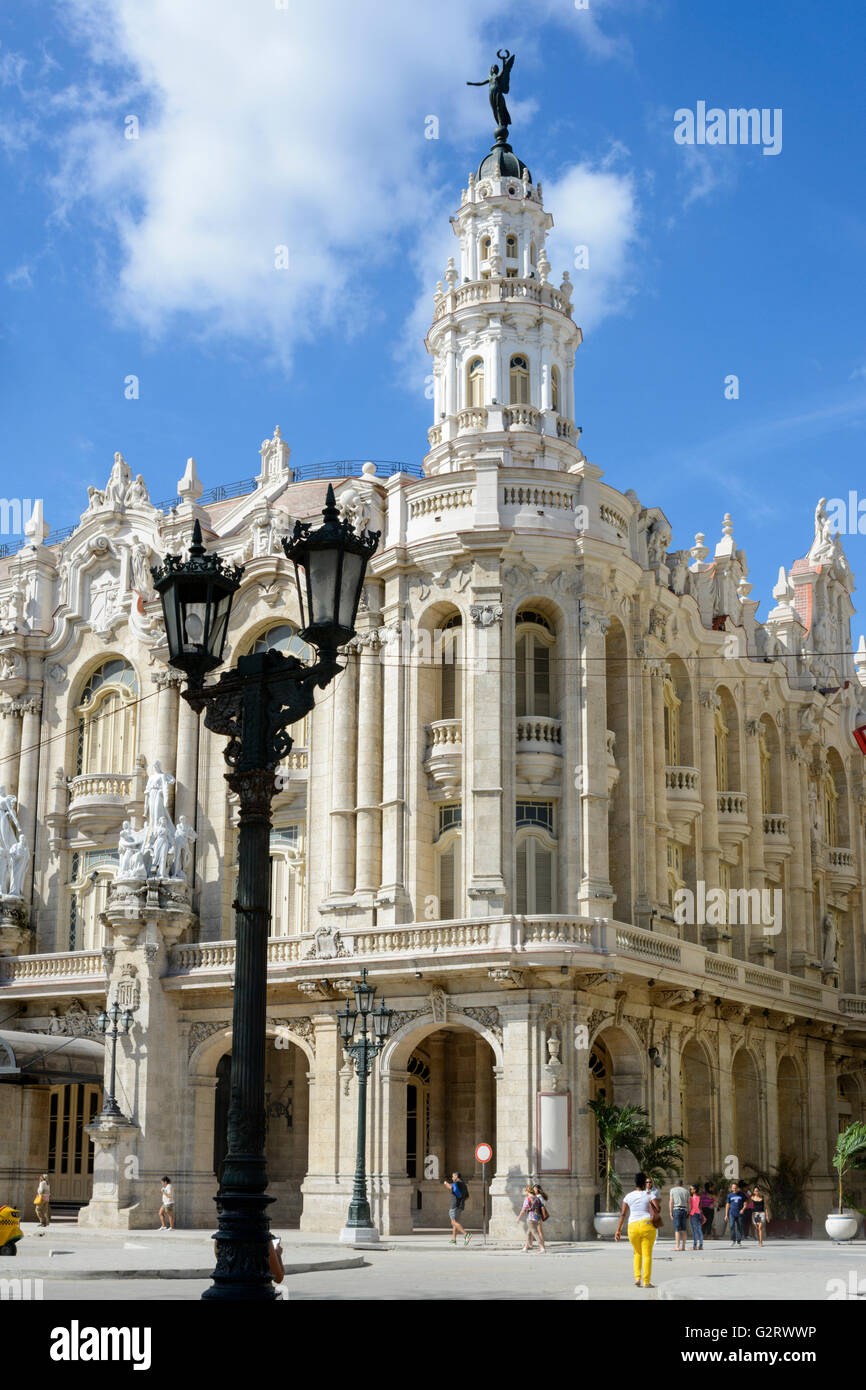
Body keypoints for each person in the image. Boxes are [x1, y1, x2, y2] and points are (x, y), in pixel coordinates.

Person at [614, 1170, 660, 1289]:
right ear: (645, 1183)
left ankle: (637, 1278)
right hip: (647, 1226)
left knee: (637, 1252)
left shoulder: (628, 1196)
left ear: (635, 1183)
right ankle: (646, 1282)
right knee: (647, 1254)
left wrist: (618, 1230)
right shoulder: (649, 1194)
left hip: (632, 1226)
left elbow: (623, 1214)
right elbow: (658, 1209)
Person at [443, 1172, 470, 1245]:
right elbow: (467, 1197)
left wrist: (445, 1183)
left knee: (453, 1222)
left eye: (453, 1176)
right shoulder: (464, 1184)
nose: (452, 1178)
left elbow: (451, 1187)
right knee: (455, 1222)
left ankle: (466, 1235)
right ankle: (453, 1239)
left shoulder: (457, 1183)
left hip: (455, 1205)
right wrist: (461, 1200)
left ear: (456, 1176)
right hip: (461, 1206)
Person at [669, 1177, 690, 1251]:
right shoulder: (686, 1191)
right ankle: (683, 1246)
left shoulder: (672, 1190)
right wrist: (689, 1211)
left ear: (675, 1184)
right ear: (682, 1184)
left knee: (677, 1229)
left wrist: (670, 1212)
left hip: (676, 1209)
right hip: (684, 1210)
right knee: (684, 1229)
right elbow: (688, 1202)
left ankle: (677, 1246)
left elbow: (671, 1201)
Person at [725, 1179, 746, 1246]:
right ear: (731, 1188)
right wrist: (726, 1215)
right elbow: (727, 1205)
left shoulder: (742, 1194)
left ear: (738, 1188)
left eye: (735, 1188)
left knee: (739, 1227)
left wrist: (743, 1209)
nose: (734, 1189)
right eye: (733, 1188)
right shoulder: (729, 1195)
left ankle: (739, 1241)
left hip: (739, 1213)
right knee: (731, 1226)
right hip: (732, 1213)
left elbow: (745, 1203)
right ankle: (733, 1240)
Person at [688, 1184, 705, 1250]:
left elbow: (694, 1207)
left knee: (695, 1231)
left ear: (695, 1190)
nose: (690, 1190)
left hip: (694, 1215)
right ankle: (700, 1245)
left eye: (691, 1189)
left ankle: (695, 1246)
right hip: (697, 1214)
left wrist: (690, 1215)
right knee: (698, 1230)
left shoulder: (694, 1198)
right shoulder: (698, 1197)